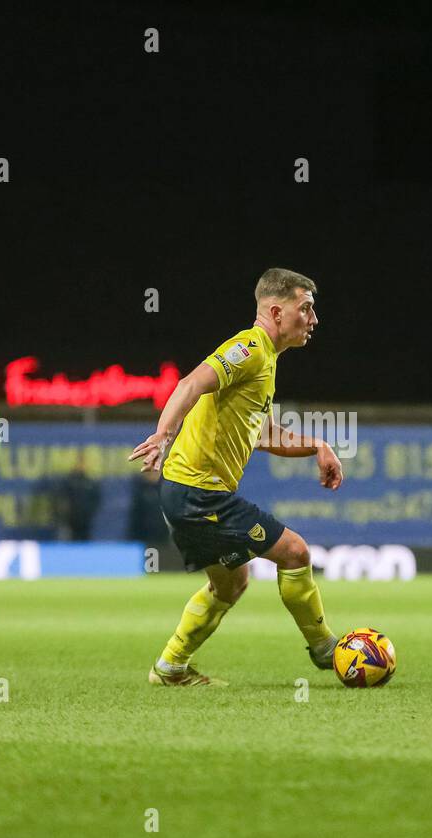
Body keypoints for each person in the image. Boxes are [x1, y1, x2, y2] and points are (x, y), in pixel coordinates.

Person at [129, 267, 344, 686]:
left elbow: (260, 433)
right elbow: (191, 383)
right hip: (199, 494)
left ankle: (170, 667)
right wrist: (163, 433)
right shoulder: (249, 348)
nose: (313, 319)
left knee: (231, 584)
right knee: (296, 553)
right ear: (277, 312)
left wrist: (317, 445)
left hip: (187, 493)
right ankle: (325, 649)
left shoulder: (265, 361)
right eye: (307, 309)